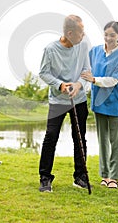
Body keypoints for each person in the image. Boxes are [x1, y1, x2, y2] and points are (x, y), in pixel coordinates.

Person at [38, 14, 91, 192]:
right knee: (51, 136)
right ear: (69, 33)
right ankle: (45, 178)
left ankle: (80, 177)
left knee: (79, 138)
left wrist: (78, 85)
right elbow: (44, 73)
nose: (84, 35)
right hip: (58, 100)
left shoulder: (83, 45)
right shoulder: (50, 49)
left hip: (79, 99)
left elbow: (86, 70)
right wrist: (60, 85)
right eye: (81, 32)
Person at [81, 21, 118, 189]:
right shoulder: (94, 52)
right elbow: (85, 70)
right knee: (102, 141)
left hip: (115, 103)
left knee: (116, 142)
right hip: (98, 102)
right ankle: (104, 175)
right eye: (106, 34)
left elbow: (114, 80)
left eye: (112, 35)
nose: (108, 38)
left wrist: (94, 79)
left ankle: (114, 177)